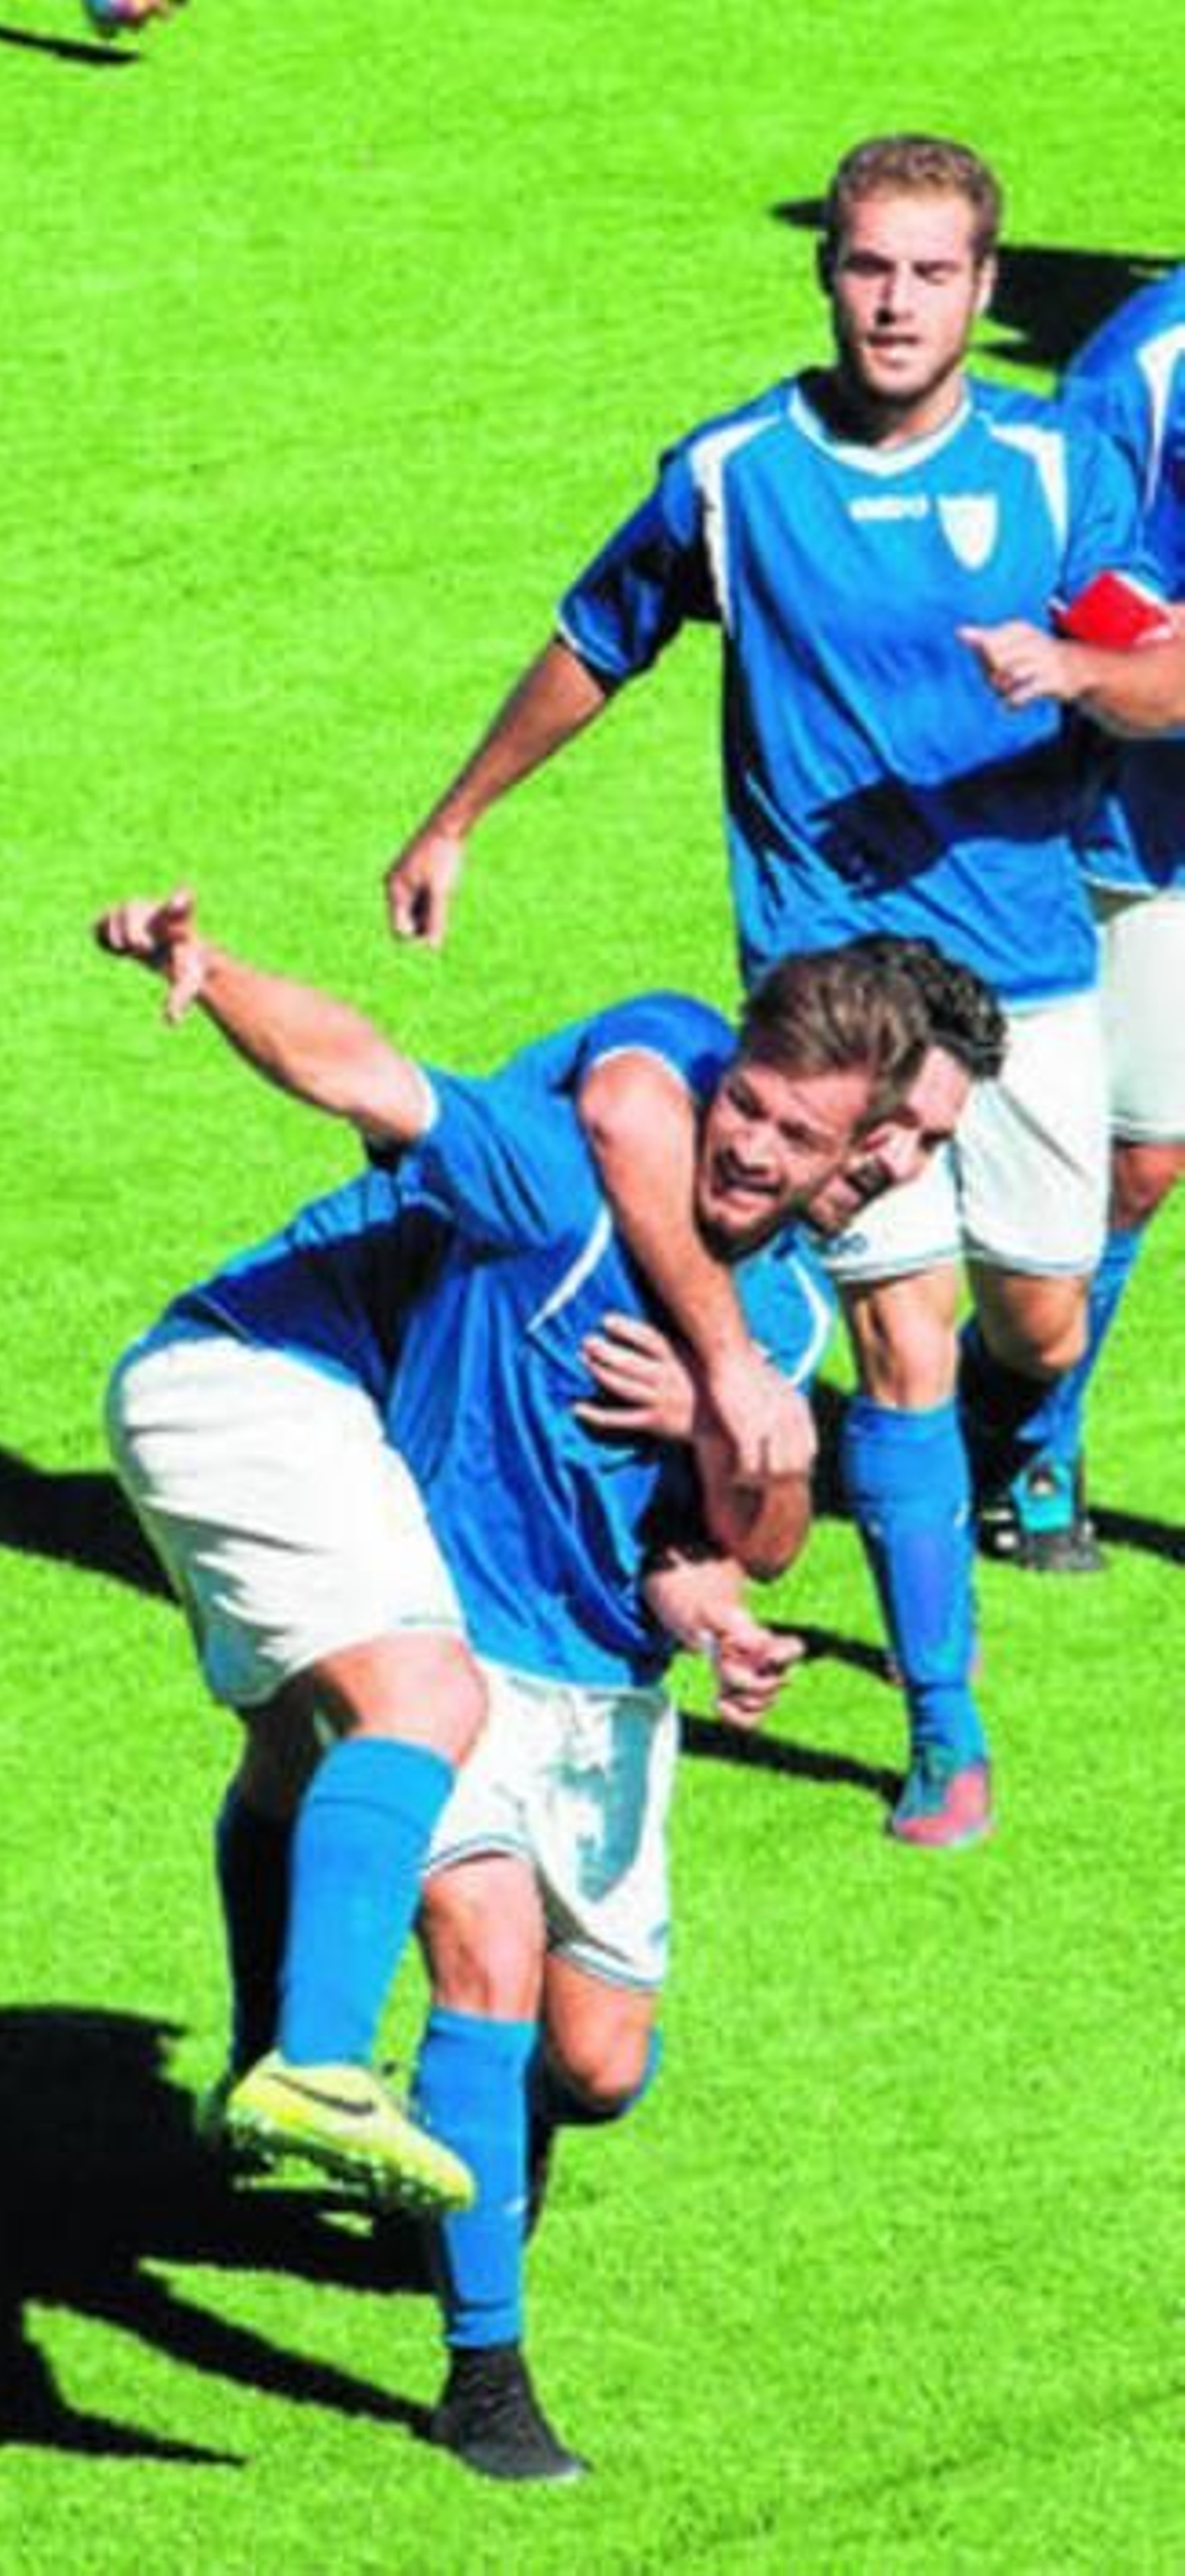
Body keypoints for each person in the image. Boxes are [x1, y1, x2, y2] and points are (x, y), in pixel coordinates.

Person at [98, 893, 996, 2478]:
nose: (754, 1148)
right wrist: (213, 967)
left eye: (803, 1138)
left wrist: (719, 1533)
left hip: (607, 1692)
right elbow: (368, 1071)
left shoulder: (785, 1312)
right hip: (454, 1636)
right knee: (485, 1946)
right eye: (748, 1108)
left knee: (595, 2064)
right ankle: (482, 2372)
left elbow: (739, 1539)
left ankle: (428, 2130)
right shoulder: (562, 1177)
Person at [382, 133, 1151, 1847]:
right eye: (868, 265)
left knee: (1035, 1316)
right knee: (898, 1331)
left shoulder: (1054, 468)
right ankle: (945, 1729)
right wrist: (455, 816)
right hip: (827, 985)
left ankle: (1025, 1427)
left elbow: (1166, 667)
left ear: (983, 289)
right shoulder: (736, 474)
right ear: (829, 274)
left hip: (1027, 959)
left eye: (931, 273)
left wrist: (1079, 666)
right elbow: (597, 640)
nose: (895, 301)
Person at [959, 267, 1185, 1566]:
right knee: (1135, 1158)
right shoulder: (1139, 369)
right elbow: (1095, 598)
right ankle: (1027, 1426)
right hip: (1141, 818)